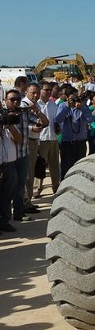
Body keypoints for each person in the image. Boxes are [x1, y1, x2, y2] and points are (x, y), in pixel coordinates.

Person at [18, 83, 47, 216]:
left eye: (37, 93)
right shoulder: (23, 105)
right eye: (32, 93)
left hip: (35, 141)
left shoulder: (34, 106)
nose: (35, 95)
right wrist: (32, 128)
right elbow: (21, 125)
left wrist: (37, 111)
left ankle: (27, 201)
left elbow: (44, 122)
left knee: (31, 173)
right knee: (27, 175)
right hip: (26, 142)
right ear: (26, 93)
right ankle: (25, 203)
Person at [55, 86, 93, 179]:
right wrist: (68, 107)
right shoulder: (63, 106)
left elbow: (91, 119)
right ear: (67, 98)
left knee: (80, 167)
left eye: (77, 97)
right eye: (73, 98)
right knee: (66, 167)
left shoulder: (83, 107)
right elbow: (58, 119)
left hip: (80, 142)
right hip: (67, 142)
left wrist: (83, 107)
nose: (75, 99)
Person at [1, 90, 24, 232]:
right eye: (11, 99)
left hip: (9, 164)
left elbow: (18, 139)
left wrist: (8, 124)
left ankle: (4, 222)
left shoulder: (7, 119)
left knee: (7, 196)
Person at [36, 81, 60, 194]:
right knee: (40, 165)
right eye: (46, 90)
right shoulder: (36, 104)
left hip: (53, 138)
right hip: (42, 138)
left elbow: (56, 120)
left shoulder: (52, 104)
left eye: (50, 90)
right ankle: (37, 188)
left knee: (54, 165)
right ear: (40, 90)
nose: (49, 92)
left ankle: (56, 187)